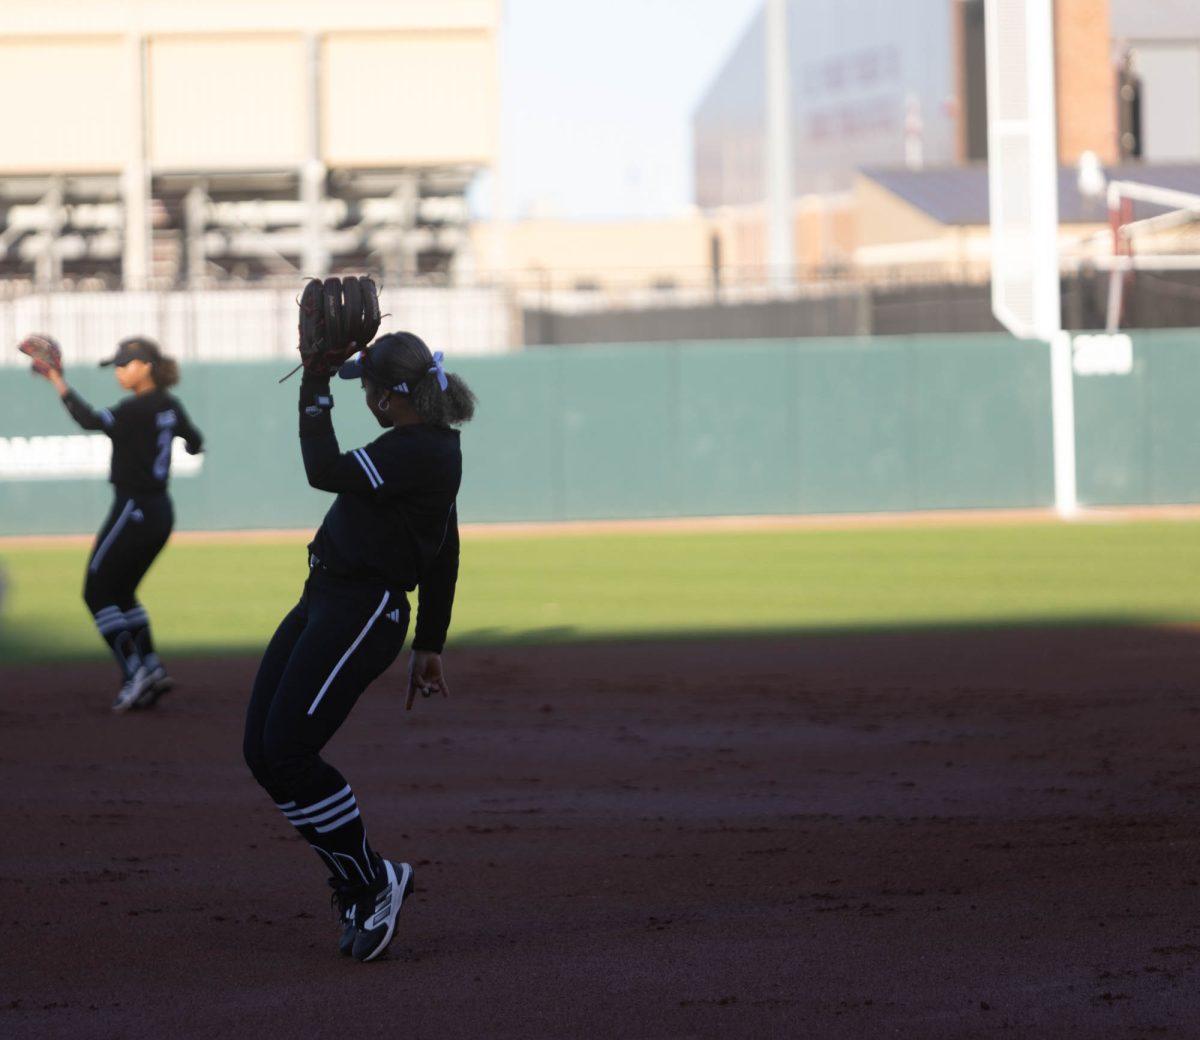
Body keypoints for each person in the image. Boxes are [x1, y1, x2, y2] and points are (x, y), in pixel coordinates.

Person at [243, 331, 476, 963]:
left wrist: (314, 386)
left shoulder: (423, 450)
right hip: (326, 598)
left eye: (366, 385)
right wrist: (431, 642)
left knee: (289, 752)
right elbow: (445, 549)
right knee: (263, 752)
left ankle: (372, 881)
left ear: (386, 397)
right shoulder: (418, 446)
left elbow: (324, 472)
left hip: (363, 608)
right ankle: (360, 882)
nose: (363, 395)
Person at [38, 336, 204, 712]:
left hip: (134, 507)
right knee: (123, 592)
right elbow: (195, 442)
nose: (118, 371)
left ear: (145, 365)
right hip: (161, 510)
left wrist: (57, 380)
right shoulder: (170, 406)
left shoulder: (136, 410)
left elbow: (89, 420)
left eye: (124, 364)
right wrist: (186, 445)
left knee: (96, 591)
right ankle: (152, 666)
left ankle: (135, 673)